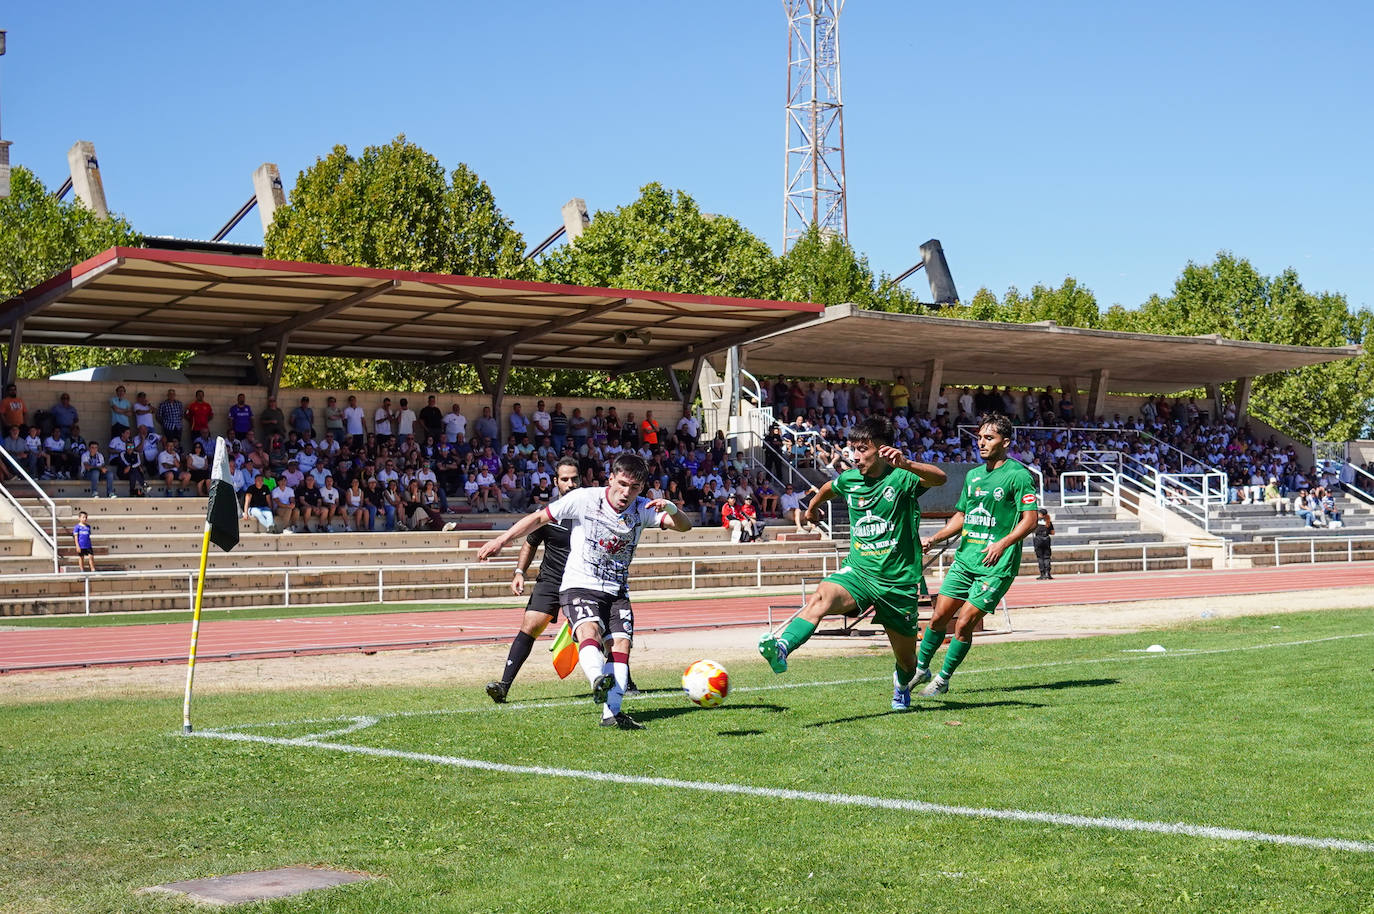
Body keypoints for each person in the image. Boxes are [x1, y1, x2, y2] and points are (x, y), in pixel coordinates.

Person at [477, 453, 692, 730]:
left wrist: (672, 508)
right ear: (610, 478)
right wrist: (502, 540)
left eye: (634, 487)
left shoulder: (642, 507)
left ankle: (611, 714)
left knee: (621, 646)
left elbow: (686, 527)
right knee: (587, 630)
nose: (626, 493)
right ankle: (596, 681)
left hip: (616, 589)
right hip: (580, 584)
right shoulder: (584, 499)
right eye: (622, 484)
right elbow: (539, 517)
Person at [757, 416, 947, 711]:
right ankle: (782, 648)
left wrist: (906, 463)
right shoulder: (850, 479)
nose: (855, 457)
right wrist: (812, 510)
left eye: (862, 449)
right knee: (822, 594)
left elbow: (940, 478)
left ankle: (902, 683)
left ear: (883, 450)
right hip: (859, 572)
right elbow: (829, 489)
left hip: (898, 583)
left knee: (908, 662)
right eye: (852, 449)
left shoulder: (901, 477)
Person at [916, 413, 1039, 697]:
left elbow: (1030, 520)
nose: (981, 443)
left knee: (964, 622)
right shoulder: (973, 476)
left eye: (989, 438)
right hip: (965, 560)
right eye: (980, 438)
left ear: (1005, 442)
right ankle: (921, 668)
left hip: (996, 565)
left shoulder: (1018, 476)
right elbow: (962, 515)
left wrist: (1002, 544)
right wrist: (934, 538)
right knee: (937, 619)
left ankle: (943, 679)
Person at [485, 456, 582, 703]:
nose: (570, 484)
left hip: (582, 580)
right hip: (550, 580)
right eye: (564, 479)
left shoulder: (590, 513)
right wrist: (519, 572)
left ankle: (626, 681)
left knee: (597, 630)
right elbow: (530, 544)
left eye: (574, 479)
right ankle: (503, 686)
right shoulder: (547, 514)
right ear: (555, 482)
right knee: (529, 626)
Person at [1033, 507, 1055, 579]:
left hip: (1038, 540)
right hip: (1046, 540)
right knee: (1047, 557)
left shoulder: (1036, 521)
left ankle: (1042, 574)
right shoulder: (1048, 522)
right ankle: (1048, 573)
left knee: (1040, 557)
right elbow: (1053, 532)